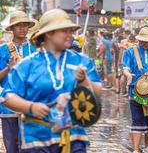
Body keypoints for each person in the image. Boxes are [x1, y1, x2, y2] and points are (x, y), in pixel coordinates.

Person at [1, 9, 102, 153]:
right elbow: (7, 96)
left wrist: (84, 81)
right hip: (37, 140)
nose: (70, 35)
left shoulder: (81, 61)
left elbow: (98, 92)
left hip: (74, 138)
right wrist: (30, 107)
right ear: (48, 33)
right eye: (64, 31)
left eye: (71, 31)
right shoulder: (27, 65)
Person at [122, 27, 148, 153]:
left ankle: (147, 146)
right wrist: (128, 75)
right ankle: (136, 149)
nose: (144, 43)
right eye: (142, 40)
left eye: (147, 41)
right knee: (137, 119)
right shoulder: (130, 51)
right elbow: (125, 67)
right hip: (135, 91)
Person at [0, 10, 36, 153]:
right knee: (12, 148)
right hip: (8, 107)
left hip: (30, 106)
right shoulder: (2, 50)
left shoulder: (35, 50)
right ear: (12, 29)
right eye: (18, 25)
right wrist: (8, 69)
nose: (22, 28)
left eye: (25, 25)